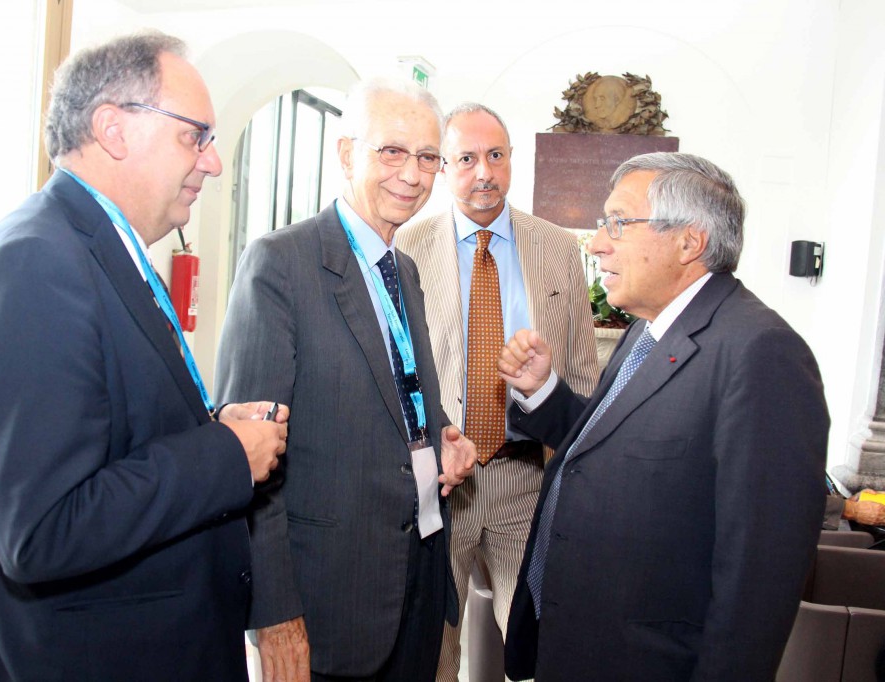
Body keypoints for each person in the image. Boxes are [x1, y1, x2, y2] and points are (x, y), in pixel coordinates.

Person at [0, 32, 288, 681]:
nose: (213, 163)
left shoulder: (95, 250)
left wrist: (212, 426)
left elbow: (108, 433)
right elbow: (44, 528)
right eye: (195, 137)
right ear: (113, 129)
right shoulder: (33, 265)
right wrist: (225, 454)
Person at [498, 152, 829, 681]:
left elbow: (759, 577)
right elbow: (609, 449)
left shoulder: (762, 354)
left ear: (689, 242)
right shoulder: (646, 330)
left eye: (618, 222)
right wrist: (542, 392)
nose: (597, 242)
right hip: (581, 644)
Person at [216, 77, 478, 682]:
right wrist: (273, 615)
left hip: (418, 574)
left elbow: (399, 395)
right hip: (328, 600)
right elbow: (248, 460)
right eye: (392, 151)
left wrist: (442, 434)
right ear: (345, 153)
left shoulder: (403, 268)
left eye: (428, 158)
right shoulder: (280, 265)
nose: (411, 175)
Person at [395, 102, 598, 682]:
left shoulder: (558, 249)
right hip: (441, 484)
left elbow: (582, 374)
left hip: (525, 482)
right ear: (442, 167)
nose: (483, 172)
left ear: (512, 160)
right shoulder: (408, 247)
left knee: (543, 647)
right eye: (465, 159)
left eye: (495, 156)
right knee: (433, 653)